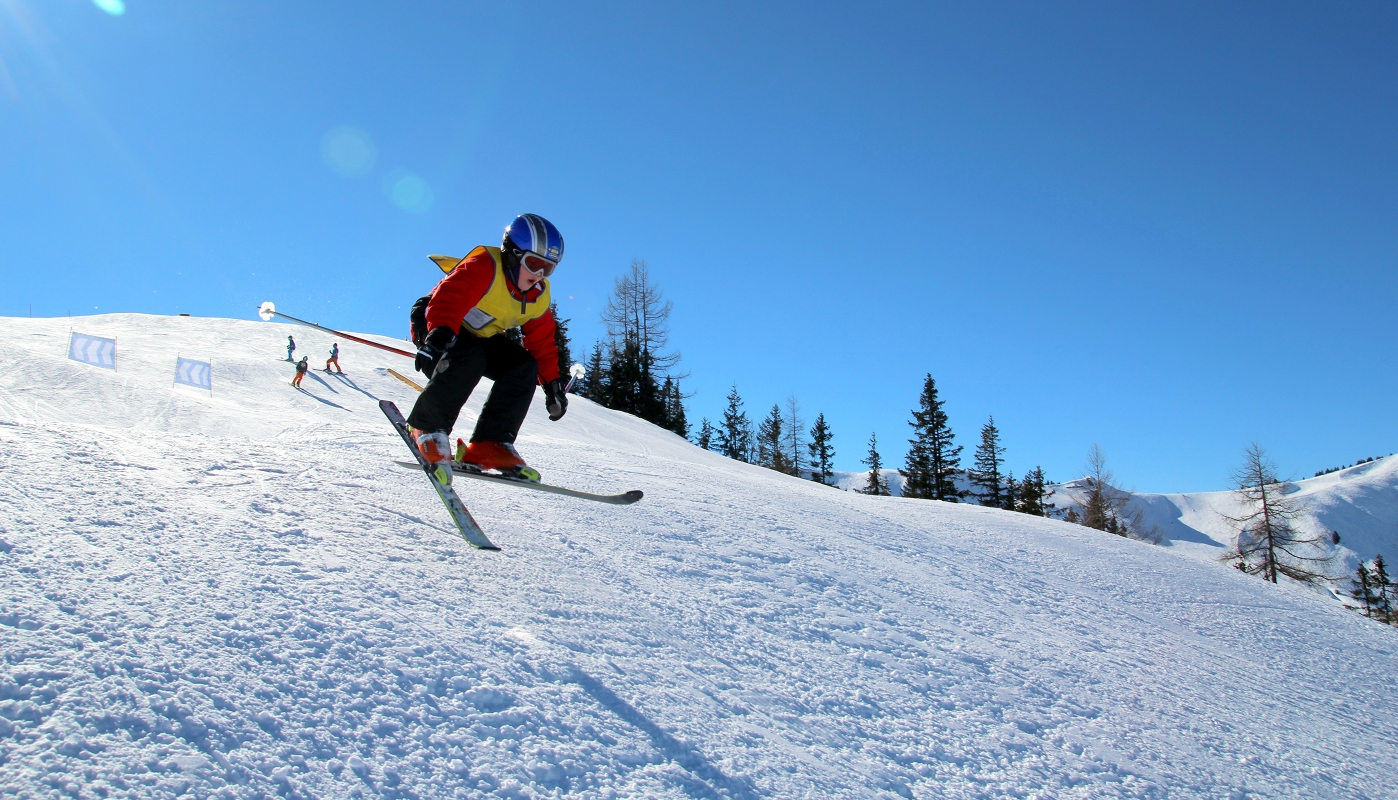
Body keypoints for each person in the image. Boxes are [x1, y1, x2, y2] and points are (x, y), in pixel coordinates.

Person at [407, 213, 569, 483]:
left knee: (523, 366)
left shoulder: (538, 296)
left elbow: (542, 341)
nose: (538, 275)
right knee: (470, 356)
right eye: (533, 264)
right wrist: (437, 339)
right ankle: (427, 426)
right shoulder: (485, 266)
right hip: (438, 322)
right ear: (513, 254)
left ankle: (490, 444)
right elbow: (450, 300)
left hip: (480, 335)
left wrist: (552, 385)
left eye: (548, 268)